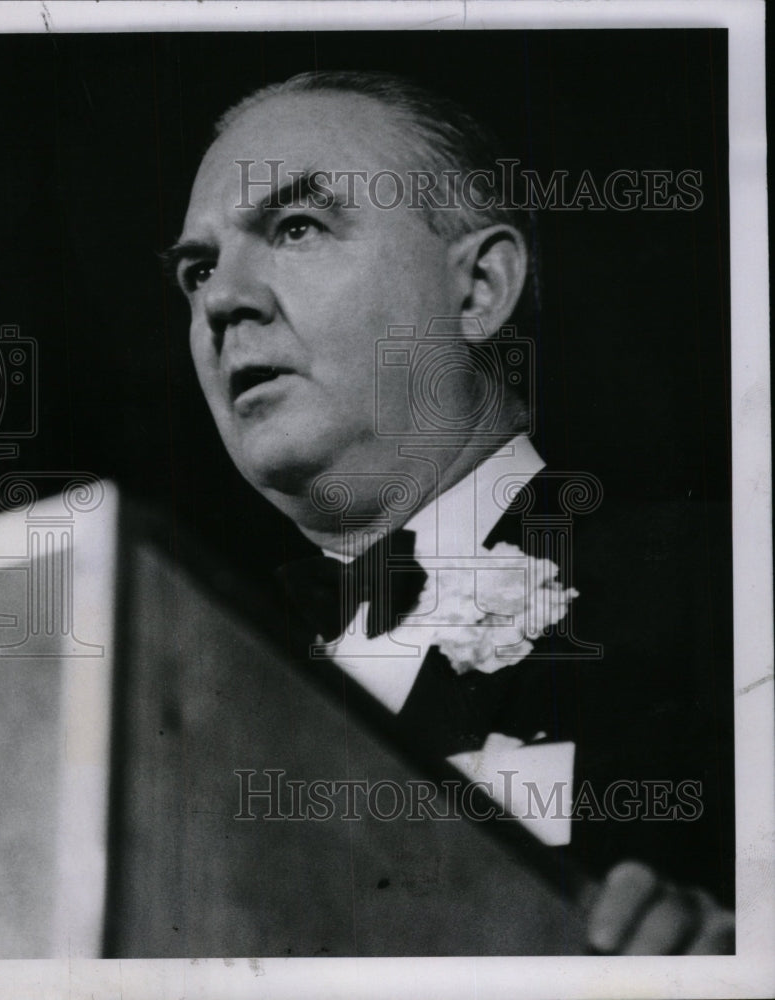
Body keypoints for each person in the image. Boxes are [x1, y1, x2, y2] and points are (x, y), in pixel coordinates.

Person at [164, 70, 734, 955]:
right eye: (196, 268)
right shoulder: (182, 686)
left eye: (297, 227)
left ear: (478, 290)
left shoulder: (723, 587)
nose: (219, 301)